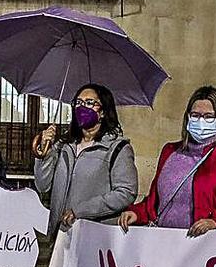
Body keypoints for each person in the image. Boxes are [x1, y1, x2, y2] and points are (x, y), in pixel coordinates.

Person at [119, 85, 216, 236]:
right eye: (195, 115)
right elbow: (156, 201)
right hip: (163, 241)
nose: (201, 121)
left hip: (209, 245)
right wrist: (137, 213)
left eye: (209, 116)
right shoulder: (171, 151)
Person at [33, 83, 138, 237]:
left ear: (102, 112)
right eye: (79, 102)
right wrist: (45, 154)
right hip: (60, 235)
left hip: (94, 236)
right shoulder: (63, 146)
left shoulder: (117, 148)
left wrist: (81, 211)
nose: (82, 107)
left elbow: (126, 192)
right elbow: (42, 185)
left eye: (89, 103)